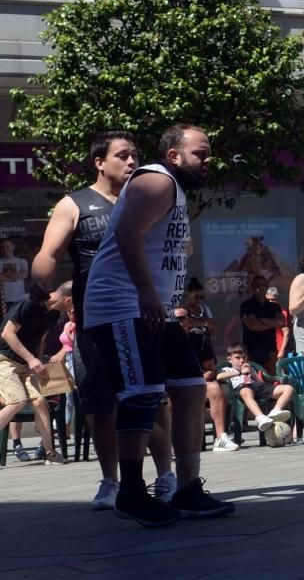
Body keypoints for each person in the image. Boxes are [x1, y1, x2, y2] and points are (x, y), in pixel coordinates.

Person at [84, 124, 233, 526]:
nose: (207, 160)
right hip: (123, 305)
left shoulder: (175, 190)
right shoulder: (156, 180)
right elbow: (129, 234)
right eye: (200, 154)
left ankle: (186, 489)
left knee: (189, 388)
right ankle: (131, 492)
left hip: (155, 311)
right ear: (174, 155)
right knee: (142, 392)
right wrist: (147, 292)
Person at [30, 131, 174, 510]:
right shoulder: (74, 204)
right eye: (123, 155)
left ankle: (166, 475)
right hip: (95, 317)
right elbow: (48, 253)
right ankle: (111, 481)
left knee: (150, 398)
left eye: (135, 154)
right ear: (99, 162)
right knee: (100, 403)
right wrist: (38, 282)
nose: (132, 162)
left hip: (144, 313)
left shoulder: (147, 199)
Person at [0, 282, 73, 465]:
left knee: (40, 401)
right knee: (17, 400)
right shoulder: (29, 303)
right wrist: (31, 359)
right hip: (5, 360)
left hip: (27, 364)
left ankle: (50, 453)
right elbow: (7, 333)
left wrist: (38, 362)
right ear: (68, 300)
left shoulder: (54, 313)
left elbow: (40, 339)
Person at [176, 281, 238, 453]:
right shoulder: (165, 340)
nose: (180, 323)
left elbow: (210, 369)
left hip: (196, 383)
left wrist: (195, 380)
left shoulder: (200, 339)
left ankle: (220, 438)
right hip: (172, 385)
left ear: (190, 320)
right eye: (177, 319)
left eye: (184, 319)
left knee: (215, 388)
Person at [216, 343, 293, 432]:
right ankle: (260, 417)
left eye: (244, 357)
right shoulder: (227, 370)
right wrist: (240, 372)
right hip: (242, 389)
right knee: (245, 391)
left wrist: (252, 373)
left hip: (257, 387)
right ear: (230, 359)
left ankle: (276, 410)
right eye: (238, 358)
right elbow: (219, 377)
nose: (242, 360)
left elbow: (260, 383)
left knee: (288, 388)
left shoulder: (250, 368)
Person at [240, 275, 285, 374]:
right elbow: (252, 326)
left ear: (267, 287)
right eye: (257, 285)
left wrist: (262, 319)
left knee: (273, 379)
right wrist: (273, 323)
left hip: (270, 349)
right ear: (252, 288)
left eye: (263, 285)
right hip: (251, 349)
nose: (260, 287)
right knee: (251, 380)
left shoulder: (274, 306)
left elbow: (282, 323)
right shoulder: (246, 305)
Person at [0, 238, 29, 310]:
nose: (5, 249)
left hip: (19, 297)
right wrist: (15, 277)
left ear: (13, 247)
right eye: (3, 247)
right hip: (3, 299)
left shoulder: (22, 261)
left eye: (7, 246)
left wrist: (4, 274)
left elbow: (24, 275)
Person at [267, 286, 293, 359]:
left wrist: (282, 351)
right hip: (268, 351)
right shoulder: (265, 313)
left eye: (273, 299)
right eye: (268, 300)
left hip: (279, 350)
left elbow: (287, 333)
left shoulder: (282, 313)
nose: (270, 302)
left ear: (277, 300)